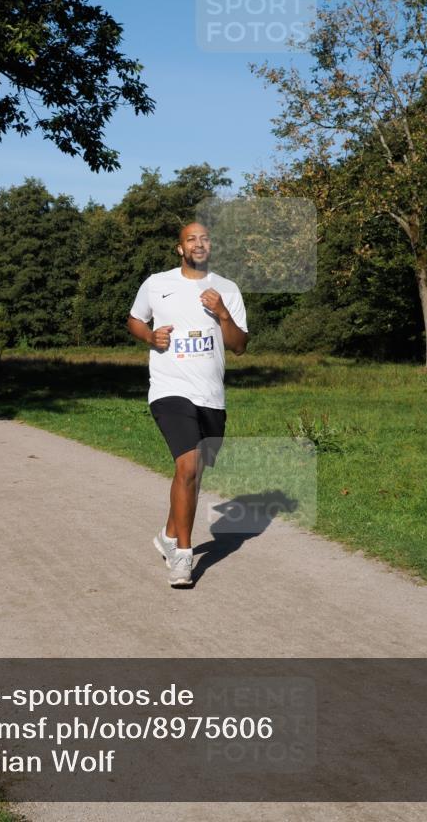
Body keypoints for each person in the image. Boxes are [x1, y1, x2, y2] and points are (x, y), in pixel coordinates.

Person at [128, 222, 248, 587]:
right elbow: (135, 320)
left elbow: (239, 346)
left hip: (210, 396)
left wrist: (223, 313)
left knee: (192, 475)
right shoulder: (156, 284)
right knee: (189, 465)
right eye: (191, 239)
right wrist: (151, 336)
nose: (199, 243)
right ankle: (182, 555)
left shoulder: (227, 288)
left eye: (205, 238)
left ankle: (168, 534)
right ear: (180, 248)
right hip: (169, 390)